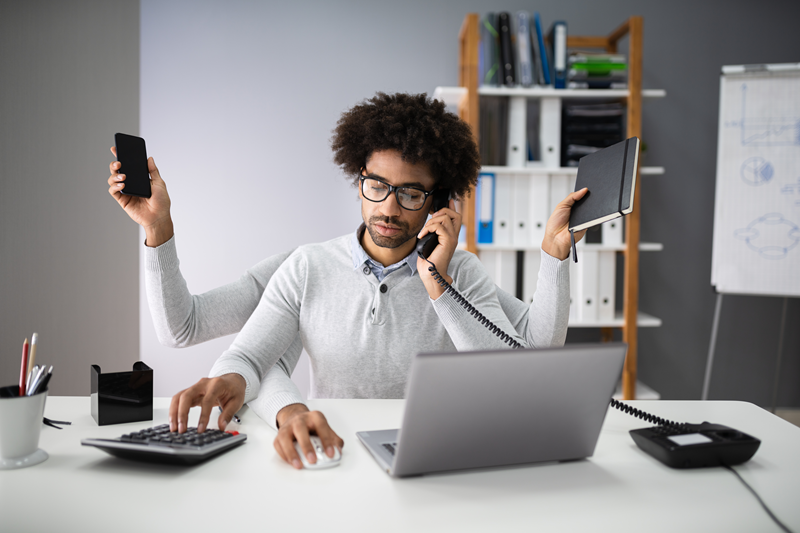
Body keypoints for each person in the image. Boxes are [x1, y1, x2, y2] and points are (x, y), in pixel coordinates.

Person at [108, 92, 587, 469]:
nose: (388, 208)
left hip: (435, 454)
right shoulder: (307, 266)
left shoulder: (460, 272)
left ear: (440, 201)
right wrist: (157, 230)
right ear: (358, 177)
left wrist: (546, 258)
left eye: (411, 193)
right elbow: (247, 354)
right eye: (376, 186)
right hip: (335, 449)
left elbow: (527, 356)